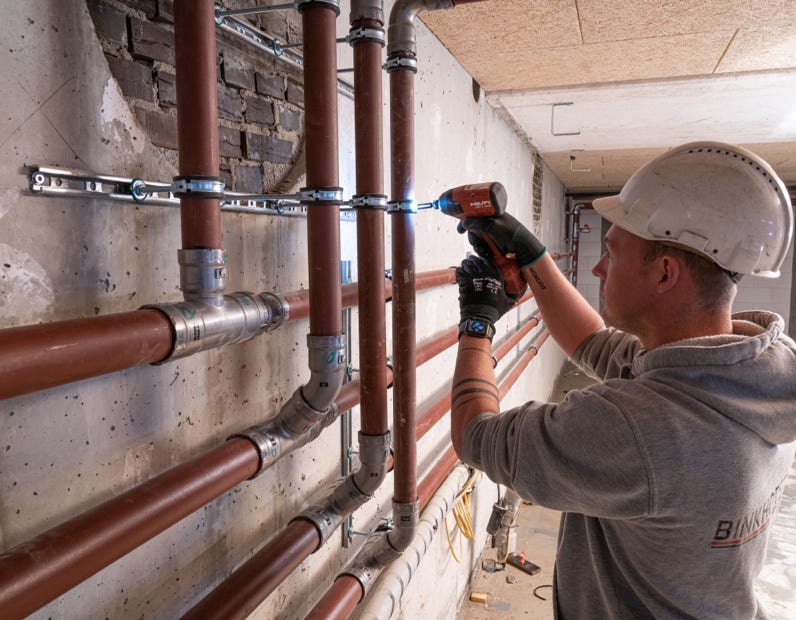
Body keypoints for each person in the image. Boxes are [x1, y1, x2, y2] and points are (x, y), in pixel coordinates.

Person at [451, 141, 796, 619]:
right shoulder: (761, 367)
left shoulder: (642, 432)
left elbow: (476, 436)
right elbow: (592, 342)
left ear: (664, 273)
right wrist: (531, 255)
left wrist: (476, 322)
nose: (597, 266)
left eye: (612, 251)